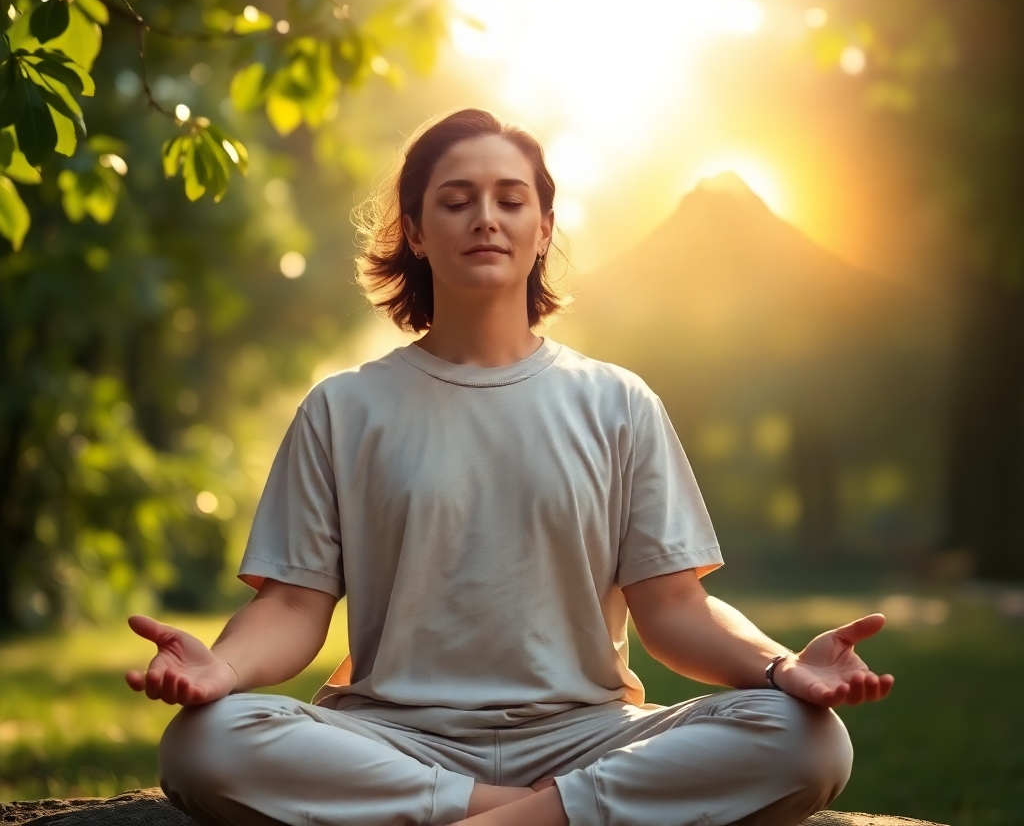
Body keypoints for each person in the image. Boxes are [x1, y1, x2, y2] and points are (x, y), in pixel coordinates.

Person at [126, 108, 894, 826]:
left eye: (510, 199)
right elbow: (294, 611)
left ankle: (498, 815)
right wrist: (220, 670)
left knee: (808, 740)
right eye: (456, 200)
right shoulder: (344, 409)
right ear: (418, 233)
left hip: (588, 736)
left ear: (543, 227)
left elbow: (676, 611)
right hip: (393, 739)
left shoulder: (617, 403)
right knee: (205, 742)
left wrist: (783, 668)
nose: (485, 218)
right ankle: (539, 814)